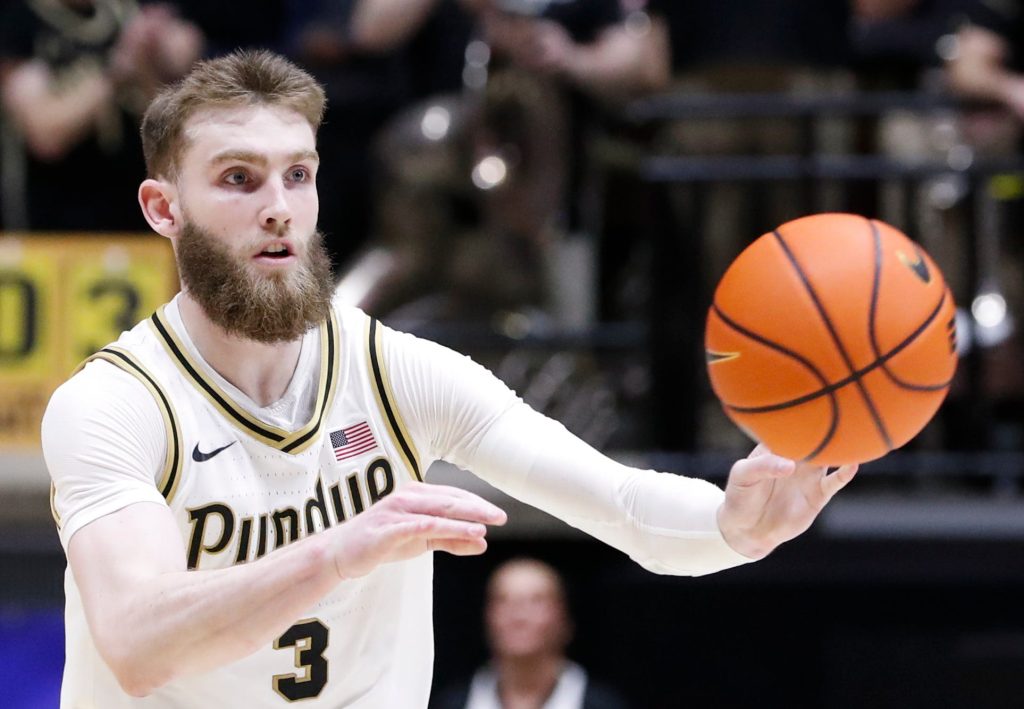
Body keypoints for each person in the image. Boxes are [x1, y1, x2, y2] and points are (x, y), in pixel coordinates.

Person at [42, 50, 858, 707]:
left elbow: (626, 507)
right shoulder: (115, 403)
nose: (280, 206)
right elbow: (139, 642)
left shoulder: (394, 372)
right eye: (238, 178)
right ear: (162, 207)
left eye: (299, 174)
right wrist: (334, 553)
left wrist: (733, 527)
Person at [0, 0, 201, 231]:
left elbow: (163, 131)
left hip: (137, 216)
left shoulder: (123, 14)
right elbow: (46, 135)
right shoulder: (20, 22)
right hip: (54, 222)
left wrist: (151, 56)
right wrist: (115, 72)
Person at [431, 558, 628, 709]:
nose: (519, 616)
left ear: (565, 620)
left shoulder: (604, 704)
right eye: (504, 601)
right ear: (487, 618)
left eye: (536, 601)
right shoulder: (450, 704)